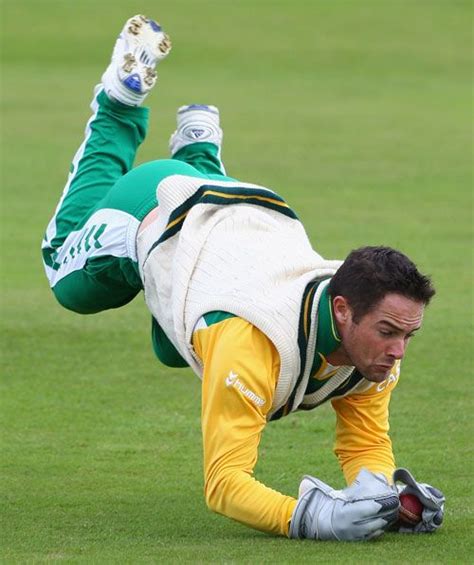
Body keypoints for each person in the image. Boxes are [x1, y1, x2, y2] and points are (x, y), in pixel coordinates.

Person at [42, 15, 445, 541]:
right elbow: (225, 483)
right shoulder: (252, 343)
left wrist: (386, 498)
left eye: (407, 335)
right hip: (157, 208)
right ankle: (119, 105)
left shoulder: (371, 343)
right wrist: (309, 517)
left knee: (172, 349)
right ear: (342, 310)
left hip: (242, 210)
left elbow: (364, 443)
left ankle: (200, 148)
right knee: (64, 276)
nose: (398, 351)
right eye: (390, 333)